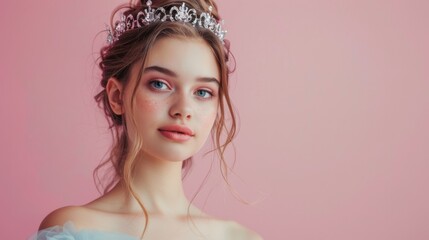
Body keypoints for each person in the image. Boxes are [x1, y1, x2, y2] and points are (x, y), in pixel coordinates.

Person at [31, 0, 262, 239]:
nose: (183, 109)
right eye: (159, 84)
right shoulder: (73, 229)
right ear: (117, 96)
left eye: (203, 92)